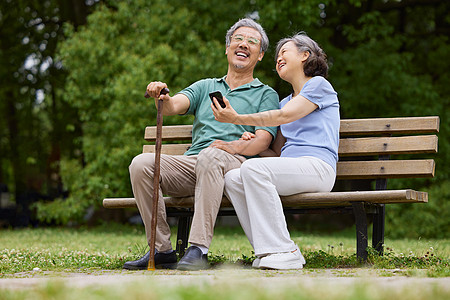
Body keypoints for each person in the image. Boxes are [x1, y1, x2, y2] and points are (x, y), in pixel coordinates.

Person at [123, 18, 279, 271]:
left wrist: (233, 146)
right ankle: (161, 250)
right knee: (141, 164)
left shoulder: (265, 94)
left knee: (212, 155)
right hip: (194, 164)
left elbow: (263, 140)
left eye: (252, 42)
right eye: (238, 39)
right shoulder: (205, 86)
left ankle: (198, 249)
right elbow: (173, 105)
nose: (244, 44)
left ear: (260, 55)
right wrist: (162, 95)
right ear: (227, 48)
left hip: (234, 163)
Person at [211, 32, 340, 269]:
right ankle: (268, 250)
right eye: (277, 56)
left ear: (304, 55)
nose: (278, 58)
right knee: (233, 178)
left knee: (252, 169)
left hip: (318, 167)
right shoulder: (284, 101)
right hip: (293, 170)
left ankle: (287, 250)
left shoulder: (319, 86)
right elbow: (277, 156)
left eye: (284, 52)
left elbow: (286, 116)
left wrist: (237, 118)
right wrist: (255, 145)